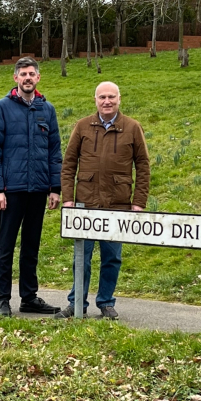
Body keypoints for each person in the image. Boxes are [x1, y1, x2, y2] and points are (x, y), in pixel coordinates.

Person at [56, 81, 150, 320]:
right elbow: (68, 165)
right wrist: (68, 199)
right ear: (95, 100)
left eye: (111, 97)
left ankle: (106, 302)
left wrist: (138, 202)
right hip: (84, 206)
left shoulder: (132, 127)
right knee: (81, 258)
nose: (106, 101)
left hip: (117, 205)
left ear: (119, 99)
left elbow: (143, 166)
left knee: (112, 258)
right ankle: (77, 303)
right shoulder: (82, 126)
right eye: (102, 97)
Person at [0, 56, 62, 317]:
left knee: (31, 246)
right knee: (5, 246)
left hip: (39, 189)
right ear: (15, 78)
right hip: (11, 191)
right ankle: (2, 299)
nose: (27, 78)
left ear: (38, 78)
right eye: (23, 74)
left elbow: (54, 151)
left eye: (32, 74)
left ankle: (29, 297)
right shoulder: (2, 108)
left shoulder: (46, 109)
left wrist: (55, 187)